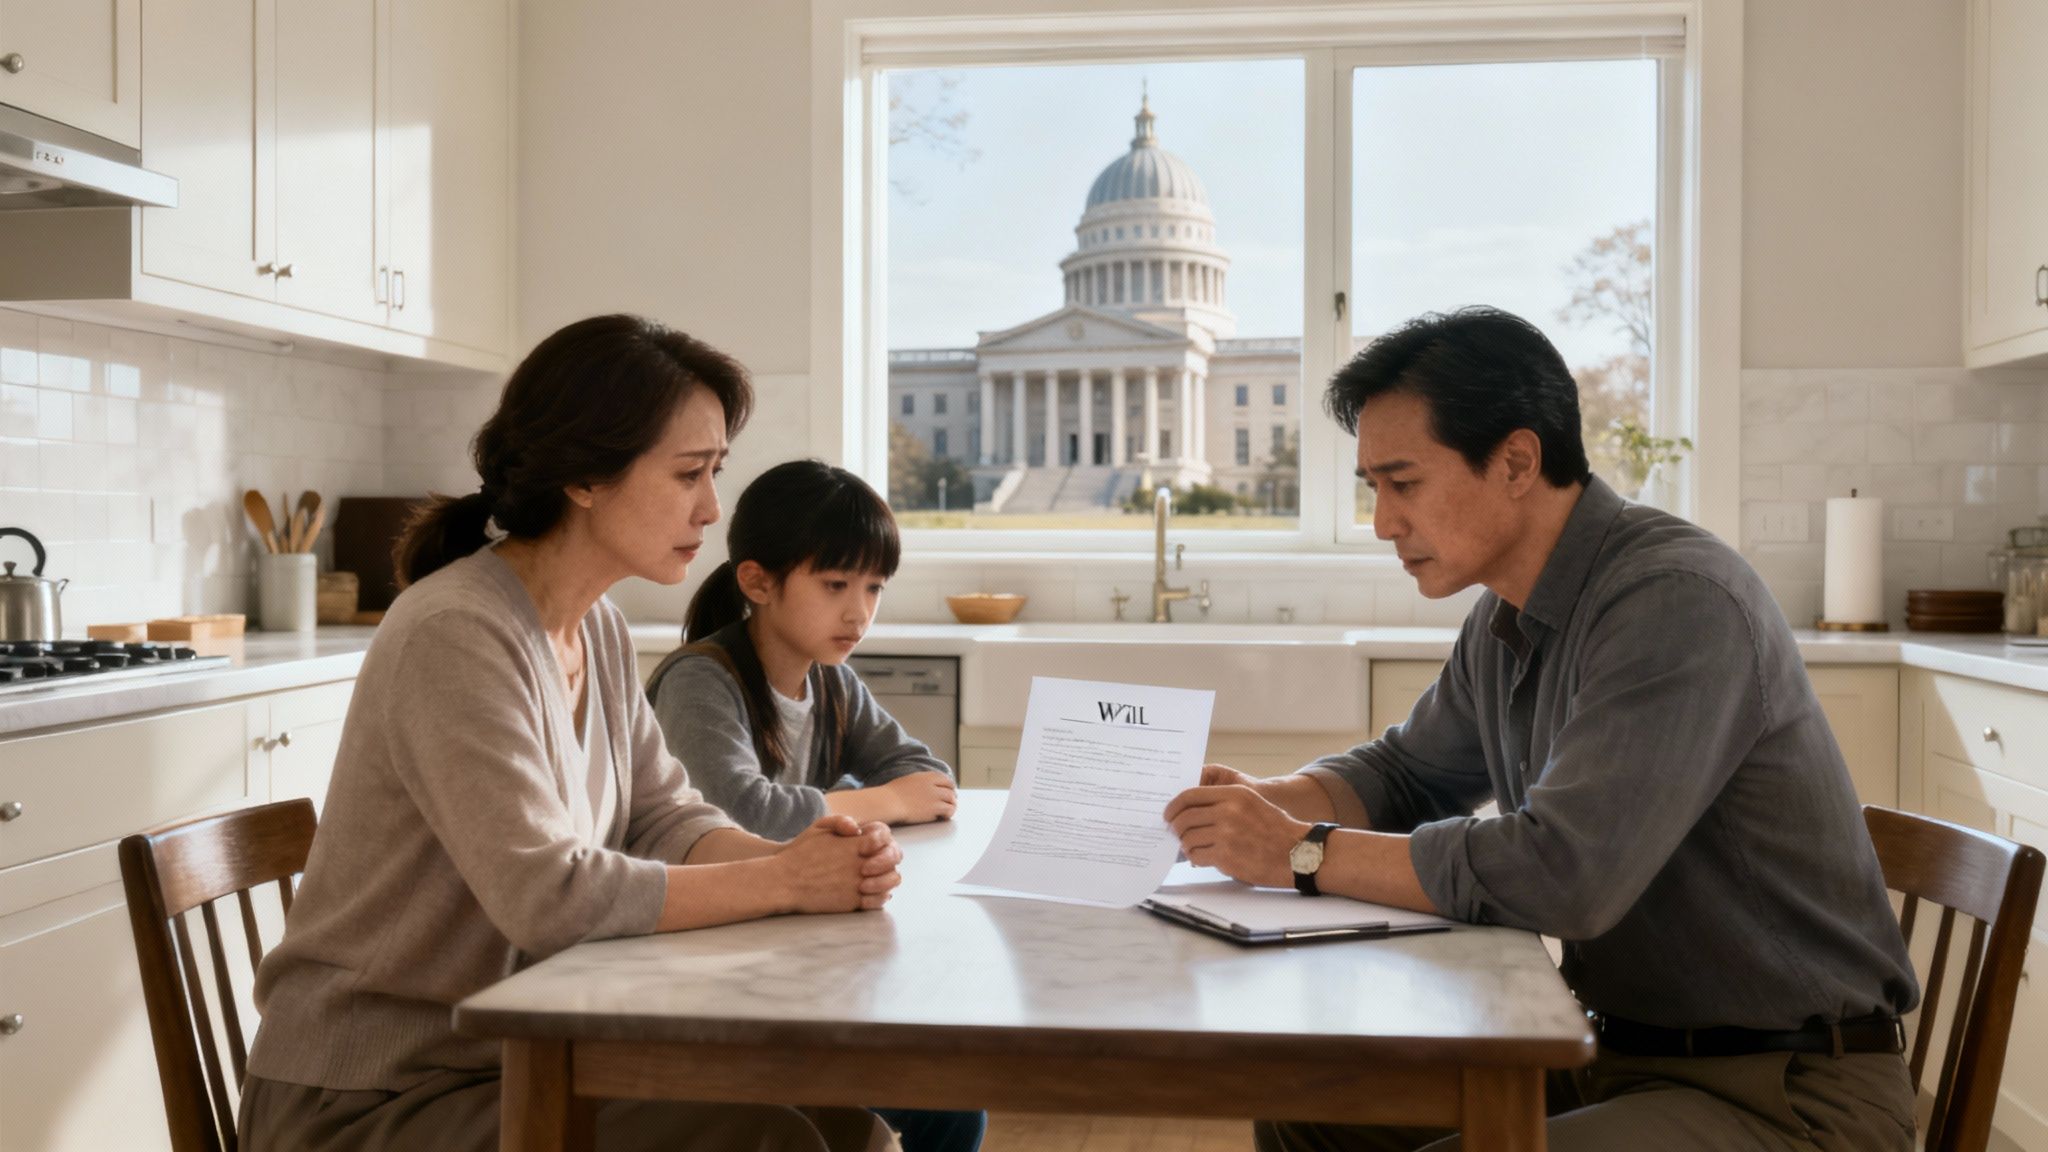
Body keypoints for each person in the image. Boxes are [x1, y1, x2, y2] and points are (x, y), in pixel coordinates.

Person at [1163, 307, 1920, 1152]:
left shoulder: (1676, 601)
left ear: (1517, 461)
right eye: (1371, 487)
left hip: (1788, 1096)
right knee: (1313, 1107)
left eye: (1403, 483)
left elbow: (1566, 873)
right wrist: (1260, 807)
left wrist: (1300, 851)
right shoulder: (1507, 615)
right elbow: (1407, 774)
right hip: (1617, 1053)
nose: (1382, 522)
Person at [239, 315, 903, 1152]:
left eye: (715, 472)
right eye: (689, 473)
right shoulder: (456, 631)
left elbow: (665, 822)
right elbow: (546, 897)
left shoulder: (599, 628)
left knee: (855, 1132)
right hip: (370, 1097)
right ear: (587, 477)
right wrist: (787, 884)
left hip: (512, 1058)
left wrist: (812, 859)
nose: (710, 506)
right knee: (774, 1141)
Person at [646, 458, 982, 1152]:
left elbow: (930, 776)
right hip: (696, 975)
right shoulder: (702, 680)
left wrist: (879, 799)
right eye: (835, 585)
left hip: (788, 953)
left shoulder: (833, 683)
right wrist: (880, 801)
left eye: (873, 587)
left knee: (954, 1104)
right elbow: (736, 809)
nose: (858, 611)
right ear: (758, 581)